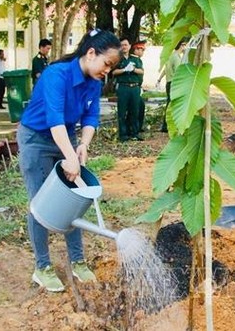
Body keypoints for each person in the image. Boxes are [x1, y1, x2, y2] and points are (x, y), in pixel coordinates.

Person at [17, 29, 121, 292]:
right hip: (37, 140)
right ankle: (43, 267)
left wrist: (83, 145)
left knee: (76, 196)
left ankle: (78, 261)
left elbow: (91, 118)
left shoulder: (94, 83)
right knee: (40, 202)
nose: (106, 71)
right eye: (106, 64)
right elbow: (54, 120)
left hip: (65, 136)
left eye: (111, 67)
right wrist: (69, 155)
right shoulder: (56, 75)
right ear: (90, 53)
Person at [112, 38, 145, 142]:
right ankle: (123, 135)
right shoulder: (117, 59)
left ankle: (134, 133)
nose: (124, 47)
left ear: (130, 46)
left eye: (126, 45)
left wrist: (134, 69)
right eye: (122, 45)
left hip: (134, 87)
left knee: (134, 110)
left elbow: (141, 71)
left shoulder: (135, 59)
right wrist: (124, 70)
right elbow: (113, 72)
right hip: (123, 87)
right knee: (122, 111)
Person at [157, 40, 186, 132]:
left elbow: (165, 70)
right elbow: (179, 71)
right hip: (174, 83)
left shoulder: (171, 56)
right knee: (173, 105)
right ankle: (167, 126)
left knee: (169, 103)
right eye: (184, 45)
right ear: (181, 46)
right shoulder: (177, 58)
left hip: (168, 83)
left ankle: (165, 125)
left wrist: (159, 79)